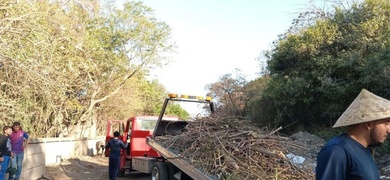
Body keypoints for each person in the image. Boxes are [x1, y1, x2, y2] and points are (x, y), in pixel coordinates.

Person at [316, 89, 390, 180]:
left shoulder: (365, 150)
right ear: (368, 124)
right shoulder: (337, 151)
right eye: (386, 123)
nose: (389, 130)